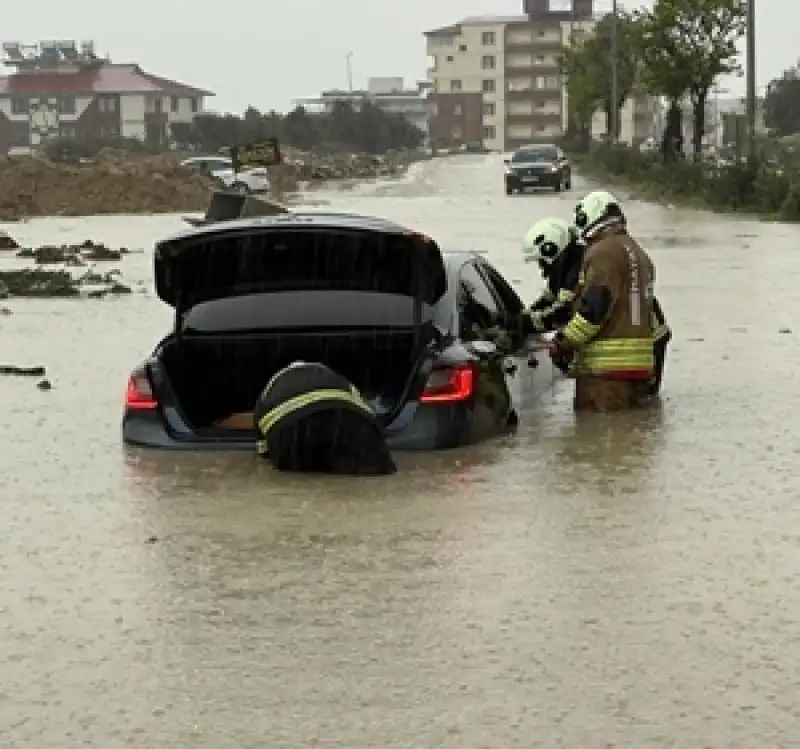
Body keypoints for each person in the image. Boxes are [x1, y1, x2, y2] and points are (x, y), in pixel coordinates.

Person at [549, 190, 660, 410]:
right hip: (640, 370)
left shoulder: (603, 252)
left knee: (596, 437)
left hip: (604, 376)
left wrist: (564, 341)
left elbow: (595, 307)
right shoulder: (639, 253)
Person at [253, 361, 396, 475]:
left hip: (294, 428)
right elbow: (368, 415)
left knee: (300, 468)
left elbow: (264, 450)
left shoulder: (269, 390)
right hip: (342, 419)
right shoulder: (341, 382)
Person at [520, 217, 587, 335]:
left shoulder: (577, 270)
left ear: (551, 250)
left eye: (542, 261)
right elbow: (548, 300)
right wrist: (524, 314)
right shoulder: (565, 267)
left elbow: (563, 313)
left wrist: (527, 323)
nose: (541, 267)